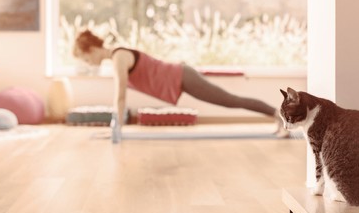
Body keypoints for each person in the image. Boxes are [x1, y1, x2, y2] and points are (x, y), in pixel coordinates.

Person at [73, 30, 286, 135]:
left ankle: (279, 115)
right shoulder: (116, 57)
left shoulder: (118, 58)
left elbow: (120, 95)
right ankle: (278, 115)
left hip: (182, 76)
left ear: (91, 50)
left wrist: (116, 128)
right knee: (230, 100)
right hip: (179, 77)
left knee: (230, 100)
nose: (88, 63)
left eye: (85, 58)